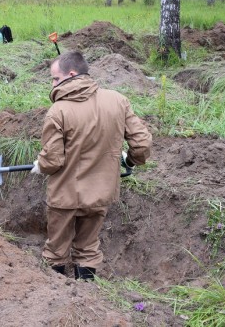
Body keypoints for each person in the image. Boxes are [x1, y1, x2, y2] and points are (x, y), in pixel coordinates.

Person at [30, 51, 152, 280]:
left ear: (71, 74)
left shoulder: (58, 111)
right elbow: (142, 143)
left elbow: (53, 160)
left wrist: (41, 164)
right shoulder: (117, 100)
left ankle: (55, 295)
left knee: (56, 250)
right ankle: (86, 293)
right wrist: (131, 160)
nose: (53, 83)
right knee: (87, 248)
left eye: (55, 78)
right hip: (100, 192)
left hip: (65, 194)